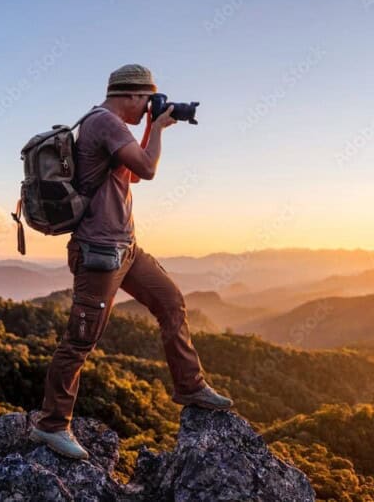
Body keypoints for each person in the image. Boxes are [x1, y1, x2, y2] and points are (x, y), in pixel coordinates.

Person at [29, 64, 232, 460]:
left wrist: (151, 129)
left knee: (171, 303)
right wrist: (156, 129)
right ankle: (52, 424)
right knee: (80, 341)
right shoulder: (105, 123)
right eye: (147, 101)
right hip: (99, 254)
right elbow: (149, 169)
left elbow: (132, 173)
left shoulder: (109, 126)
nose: (149, 108)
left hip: (127, 249)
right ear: (132, 95)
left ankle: (189, 386)